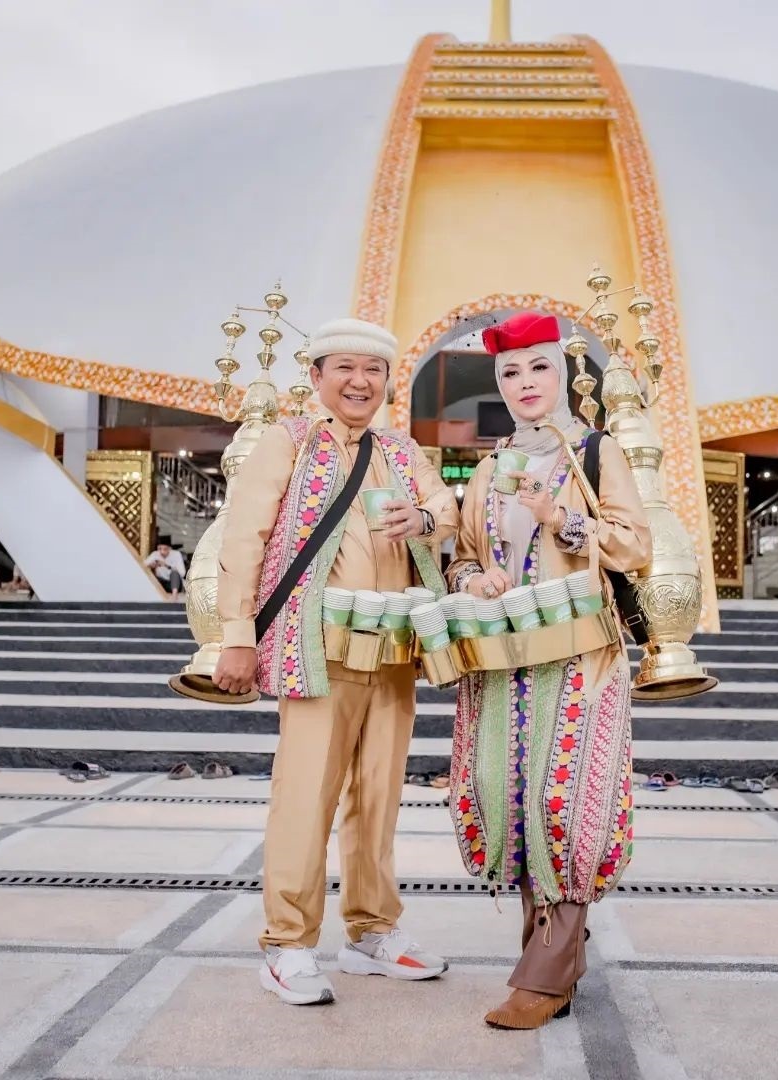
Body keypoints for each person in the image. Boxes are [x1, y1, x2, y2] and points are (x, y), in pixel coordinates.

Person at [213, 318, 460, 1006]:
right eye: (345, 368)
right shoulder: (287, 440)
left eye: (374, 370)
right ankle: (287, 944)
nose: (360, 382)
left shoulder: (400, 448)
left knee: (378, 796)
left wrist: (426, 519)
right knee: (306, 794)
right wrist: (235, 633)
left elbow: (444, 505)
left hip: (392, 645)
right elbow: (246, 533)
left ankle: (371, 933)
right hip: (314, 646)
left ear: (387, 381)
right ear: (318, 377)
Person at [447, 311, 652, 1029]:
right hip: (502, 662)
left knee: (565, 800)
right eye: (510, 372)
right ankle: (550, 951)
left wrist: (561, 514)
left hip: (578, 656)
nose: (525, 384)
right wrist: (473, 580)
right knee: (506, 794)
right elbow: (466, 554)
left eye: (538, 368)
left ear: (561, 375)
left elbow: (632, 544)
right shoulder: (485, 467)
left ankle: (546, 972)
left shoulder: (597, 452)